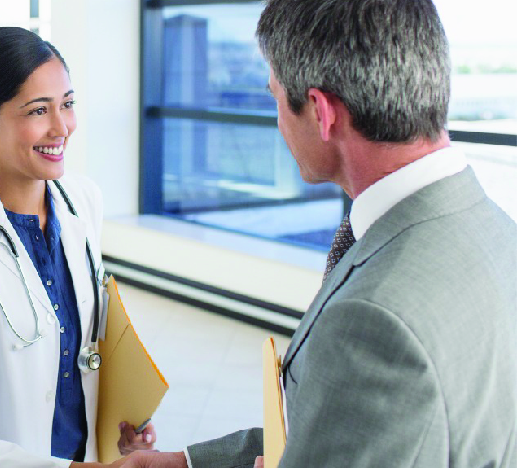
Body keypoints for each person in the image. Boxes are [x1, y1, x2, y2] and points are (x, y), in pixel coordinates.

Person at [122, 0, 517, 466]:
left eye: (274, 97)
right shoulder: (494, 230)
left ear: (320, 111)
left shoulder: (375, 321)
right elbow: (341, 425)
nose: (277, 121)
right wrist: (185, 463)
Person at [0, 27, 154, 467]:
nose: (62, 128)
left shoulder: (82, 200)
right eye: (38, 110)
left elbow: (82, 348)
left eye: (67, 104)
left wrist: (119, 428)